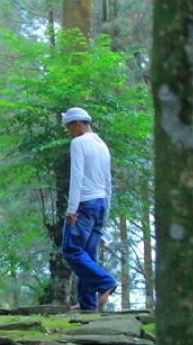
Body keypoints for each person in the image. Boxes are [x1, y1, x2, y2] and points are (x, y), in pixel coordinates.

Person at [60, 107, 118, 311]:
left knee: (72, 250)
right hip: (101, 202)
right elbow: (108, 180)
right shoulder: (101, 144)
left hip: (84, 203)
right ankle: (87, 304)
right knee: (88, 254)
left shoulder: (79, 143)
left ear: (77, 123)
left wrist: (71, 209)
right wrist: (107, 208)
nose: (69, 132)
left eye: (69, 127)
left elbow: (77, 177)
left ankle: (106, 281)